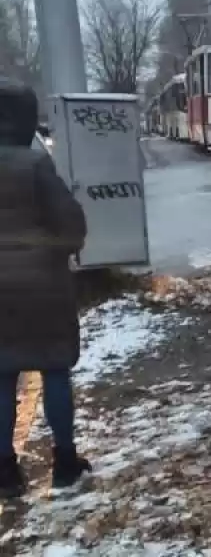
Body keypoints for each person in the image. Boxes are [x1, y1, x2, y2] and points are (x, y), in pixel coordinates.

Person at [0, 78, 90, 498]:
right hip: (42, 287)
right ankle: (65, 464)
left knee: (2, 378)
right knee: (54, 371)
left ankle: (4, 470)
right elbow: (70, 223)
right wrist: (61, 249)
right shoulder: (35, 165)